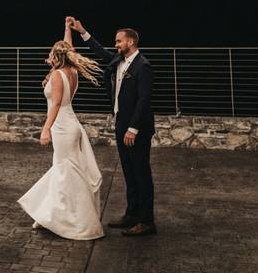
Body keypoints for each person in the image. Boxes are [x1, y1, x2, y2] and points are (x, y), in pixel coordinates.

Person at [17, 19, 105, 240]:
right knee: (67, 169)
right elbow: (68, 48)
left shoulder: (57, 75)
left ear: (57, 56)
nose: (50, 57)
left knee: (65, 171)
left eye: (52, 54)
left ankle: (73, 220)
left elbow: (55, 104)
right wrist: (68, 30)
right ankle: (54, 214)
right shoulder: (72, 71)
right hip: (70, 123)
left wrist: (45, 129)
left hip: (62, 126)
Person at [68, 16, 156, 237]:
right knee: (128, 171)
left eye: (119, 41)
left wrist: (133, 128)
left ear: (131, 42)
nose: (116, 45)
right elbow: (101, 52)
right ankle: (132, 214)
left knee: (141, 173)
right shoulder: (118, 61)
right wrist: (82, 31)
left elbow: (144, 100)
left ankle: (147, 221)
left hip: (136, 129)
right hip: (121, 124)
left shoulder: (143, 65)